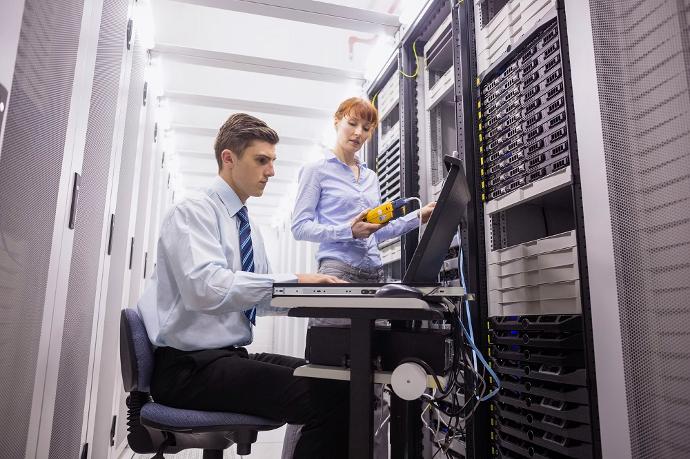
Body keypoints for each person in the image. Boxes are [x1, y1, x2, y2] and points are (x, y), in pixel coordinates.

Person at [137, 113, 350, 458]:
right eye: (262, 160)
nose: (271, 171)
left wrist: (318, 294)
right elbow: (206, 288)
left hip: (225, 358)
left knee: (339, 382)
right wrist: (294, 279)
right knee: (327, 399)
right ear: (229, 158)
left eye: (273, 161)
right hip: (188, 369)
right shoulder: (194, 212)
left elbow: (256, 300)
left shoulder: (247, 226)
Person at [287, 97, 436, 457]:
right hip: (336, 274)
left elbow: (376, 231)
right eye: (353, 124)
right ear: (337, 120)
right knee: (325, 376)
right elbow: (300, 227)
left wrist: (419, 218)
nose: (359, 133)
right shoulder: (317, 170)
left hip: (372, 277)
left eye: (367, 128)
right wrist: (346, 232)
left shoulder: (370, 177)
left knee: (373, 378)